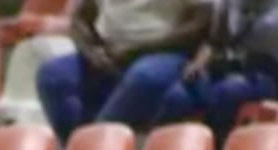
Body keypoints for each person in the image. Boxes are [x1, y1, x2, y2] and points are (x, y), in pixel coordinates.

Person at [36, 0, 215, 141]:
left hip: (165, 51)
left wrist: (137, 51)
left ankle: (94, 147)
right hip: (108, 51)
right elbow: (80, 19)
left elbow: (200, 25)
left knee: (145, 76)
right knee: (52, 75)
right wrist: (91, 51)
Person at [158, 0, 278, 142]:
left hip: (263, 71)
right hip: (223, 64)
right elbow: (214, 42)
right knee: (178, 97)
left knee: (226, 93)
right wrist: (198, 65)